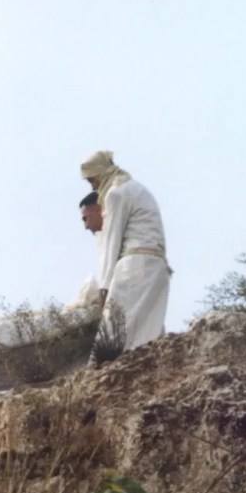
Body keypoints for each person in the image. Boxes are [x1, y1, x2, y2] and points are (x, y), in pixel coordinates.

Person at [80, 150, 171, 351]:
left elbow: (112, 241)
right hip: (157, 266)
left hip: (134, 265)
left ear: (100, 173)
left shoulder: (115, 194)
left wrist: (104, 286)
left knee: (115, 333)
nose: (93, 186)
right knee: (149, 331)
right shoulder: (136, 188)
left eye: (92, 180)